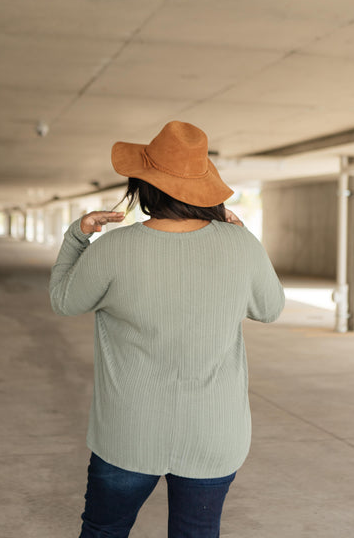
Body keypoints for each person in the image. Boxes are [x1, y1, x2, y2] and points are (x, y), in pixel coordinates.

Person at [49, 120, 285, 538]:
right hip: (215, 434)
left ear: (145, 186)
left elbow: (65, 301)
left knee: (103, 530)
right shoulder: (240, 245)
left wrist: (78, 234)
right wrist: (243, 239)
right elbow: (269, 309)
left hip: (128, 433)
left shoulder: (115, 248)